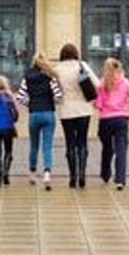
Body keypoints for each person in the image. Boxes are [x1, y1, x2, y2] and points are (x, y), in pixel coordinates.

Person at [38, 43, 95, 189]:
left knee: (70, 142)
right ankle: (82, 174)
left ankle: (72, 177)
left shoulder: (57, 70)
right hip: (84, 109)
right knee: (82, 142)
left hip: (66, 110)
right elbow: (97, 83)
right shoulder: (82, 66)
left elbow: (49, 87)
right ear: (76, 53)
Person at [16, 53, 63, 190]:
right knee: (47, 146)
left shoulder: (27, 76)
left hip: (34, 114)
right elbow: (58, 96)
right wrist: (51, 101)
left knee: (34, 145)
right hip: (48, 113)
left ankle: (32, 173)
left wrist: (29, 104)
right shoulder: (50, 77)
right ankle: (47, 174)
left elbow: (19, 97)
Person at [93, 57, 129, 190]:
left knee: (107, 148)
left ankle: (105, 174)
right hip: (121, 119)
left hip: (105, 121)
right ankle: (120, 179)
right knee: (121, 150)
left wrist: (101, 105)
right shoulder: (125, 82)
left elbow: (97, 105)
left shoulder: (102, 84)